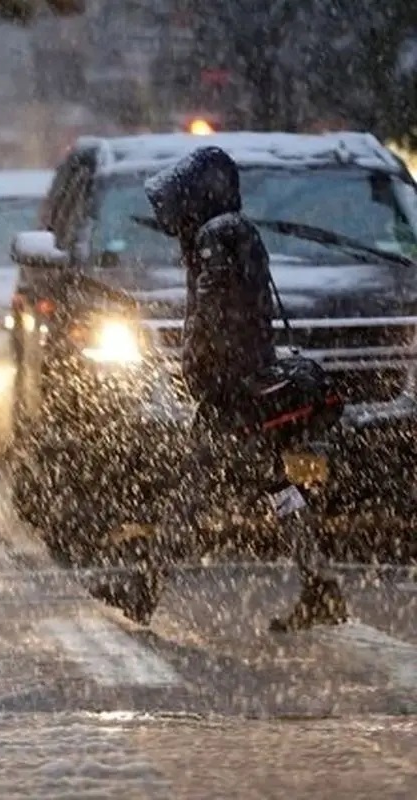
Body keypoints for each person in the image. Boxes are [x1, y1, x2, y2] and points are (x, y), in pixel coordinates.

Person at [88, 146, 348, 633]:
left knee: (191, 493)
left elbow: (213, 316)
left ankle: (147, 588)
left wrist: (206, 375)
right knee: (278, 486)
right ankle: (320, 585)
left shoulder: (215, 236)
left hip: (232, 394)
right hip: (250, 385)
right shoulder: (235, 230)